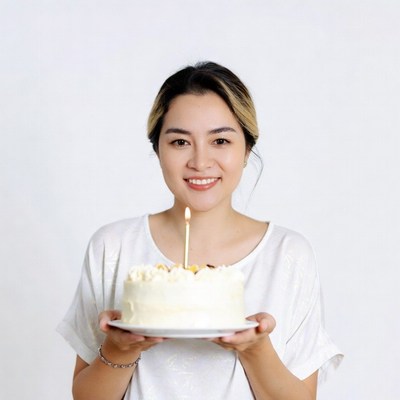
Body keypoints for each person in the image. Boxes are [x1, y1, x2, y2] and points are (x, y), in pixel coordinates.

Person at [57, 61, 342, 400]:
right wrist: (121, 348)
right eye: (180, 142)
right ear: (158, 149)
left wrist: (254, 349)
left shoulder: (289, 255)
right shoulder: (113, 247)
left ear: (247, 149)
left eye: (220, 140)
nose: (200, 162)